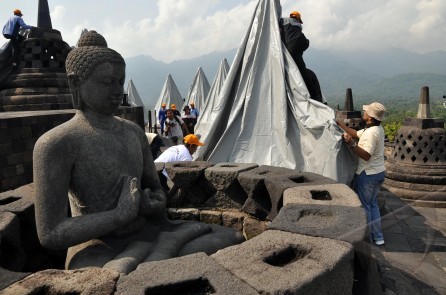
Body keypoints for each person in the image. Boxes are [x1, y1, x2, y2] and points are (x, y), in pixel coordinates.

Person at [33, 30, 244, 275]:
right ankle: (165, 249)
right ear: (76, 83)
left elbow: (155, 189)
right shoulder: (56, 143)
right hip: (99, 246)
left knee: (233, 237)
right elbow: (50, 233)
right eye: (106, 82)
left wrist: (153, 202)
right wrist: (118, 216)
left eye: (119, 81)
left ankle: (164, 248)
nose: (117, 90)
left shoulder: (133, 132)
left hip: (148, 230)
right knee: (109, 277)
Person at [336, 102, 386, 246]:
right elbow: (356, 133)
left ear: (369, 117)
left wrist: (351, 144)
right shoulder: (376, 128)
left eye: (366, 112)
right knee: (373, 205)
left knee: (365, 207)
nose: (363, 113)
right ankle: (378, 237)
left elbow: (366, 155)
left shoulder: (371, 133)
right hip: (378, 172)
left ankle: (367, 238)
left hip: (367, 174)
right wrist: (340, 124)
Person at [279, 11, 323, 102]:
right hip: (301, 43)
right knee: (302, 70)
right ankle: (315, 96)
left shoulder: (283, 20)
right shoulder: (298, 24)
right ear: (298, 18)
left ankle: (312, 95)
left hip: (291, 46)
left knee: (297, 69)